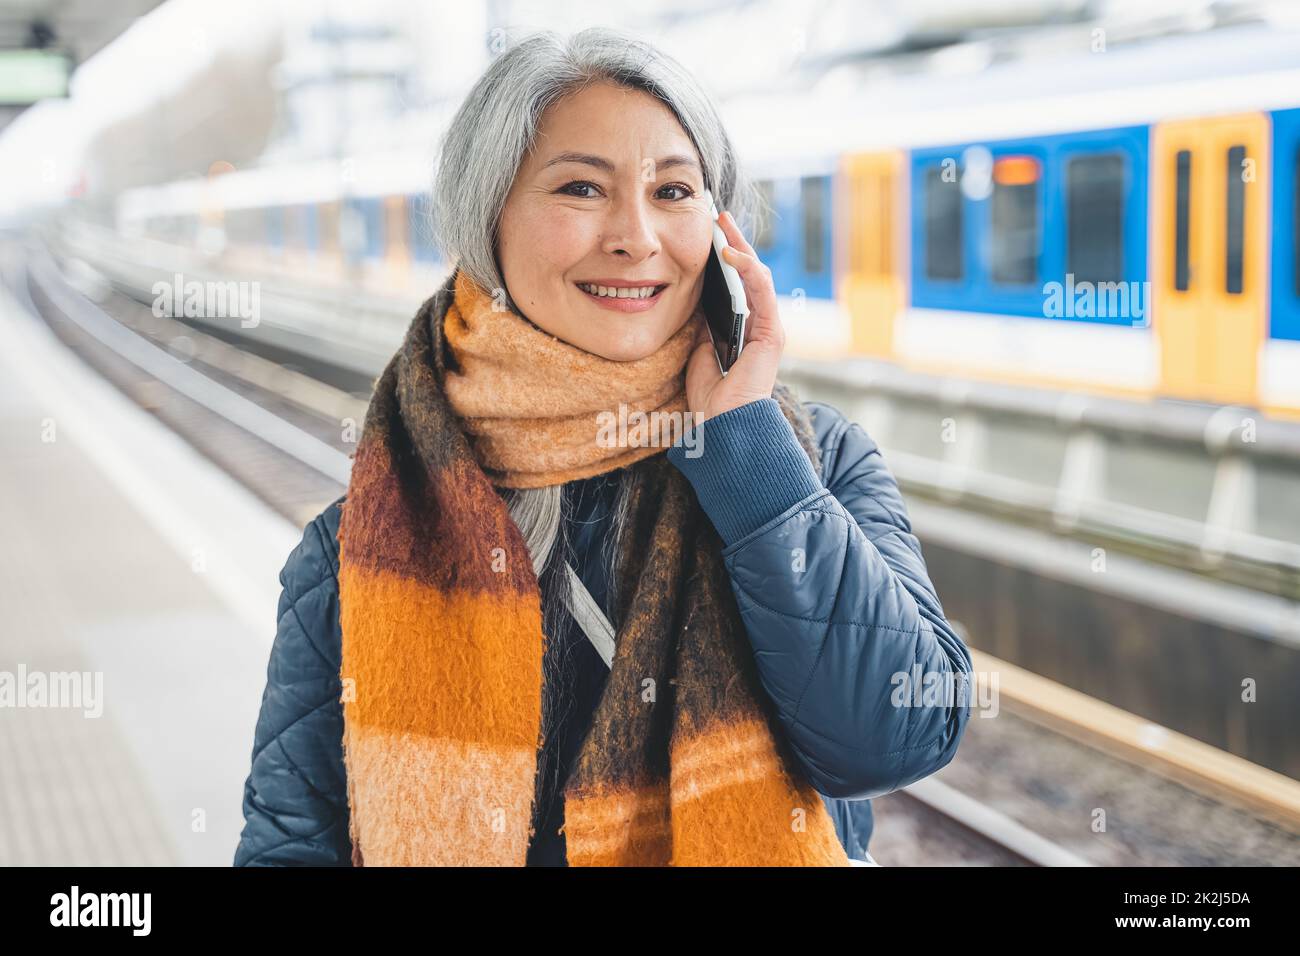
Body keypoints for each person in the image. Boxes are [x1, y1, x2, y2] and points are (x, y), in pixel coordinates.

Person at [233, 26, 972, 867]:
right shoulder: (359, 546)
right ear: (487, 220)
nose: (635, 236)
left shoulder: (814, 465)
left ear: (722, 233)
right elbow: (290, 846)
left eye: (674, 191)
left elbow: (894, 739)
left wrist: (751, 457)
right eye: (582, 188)